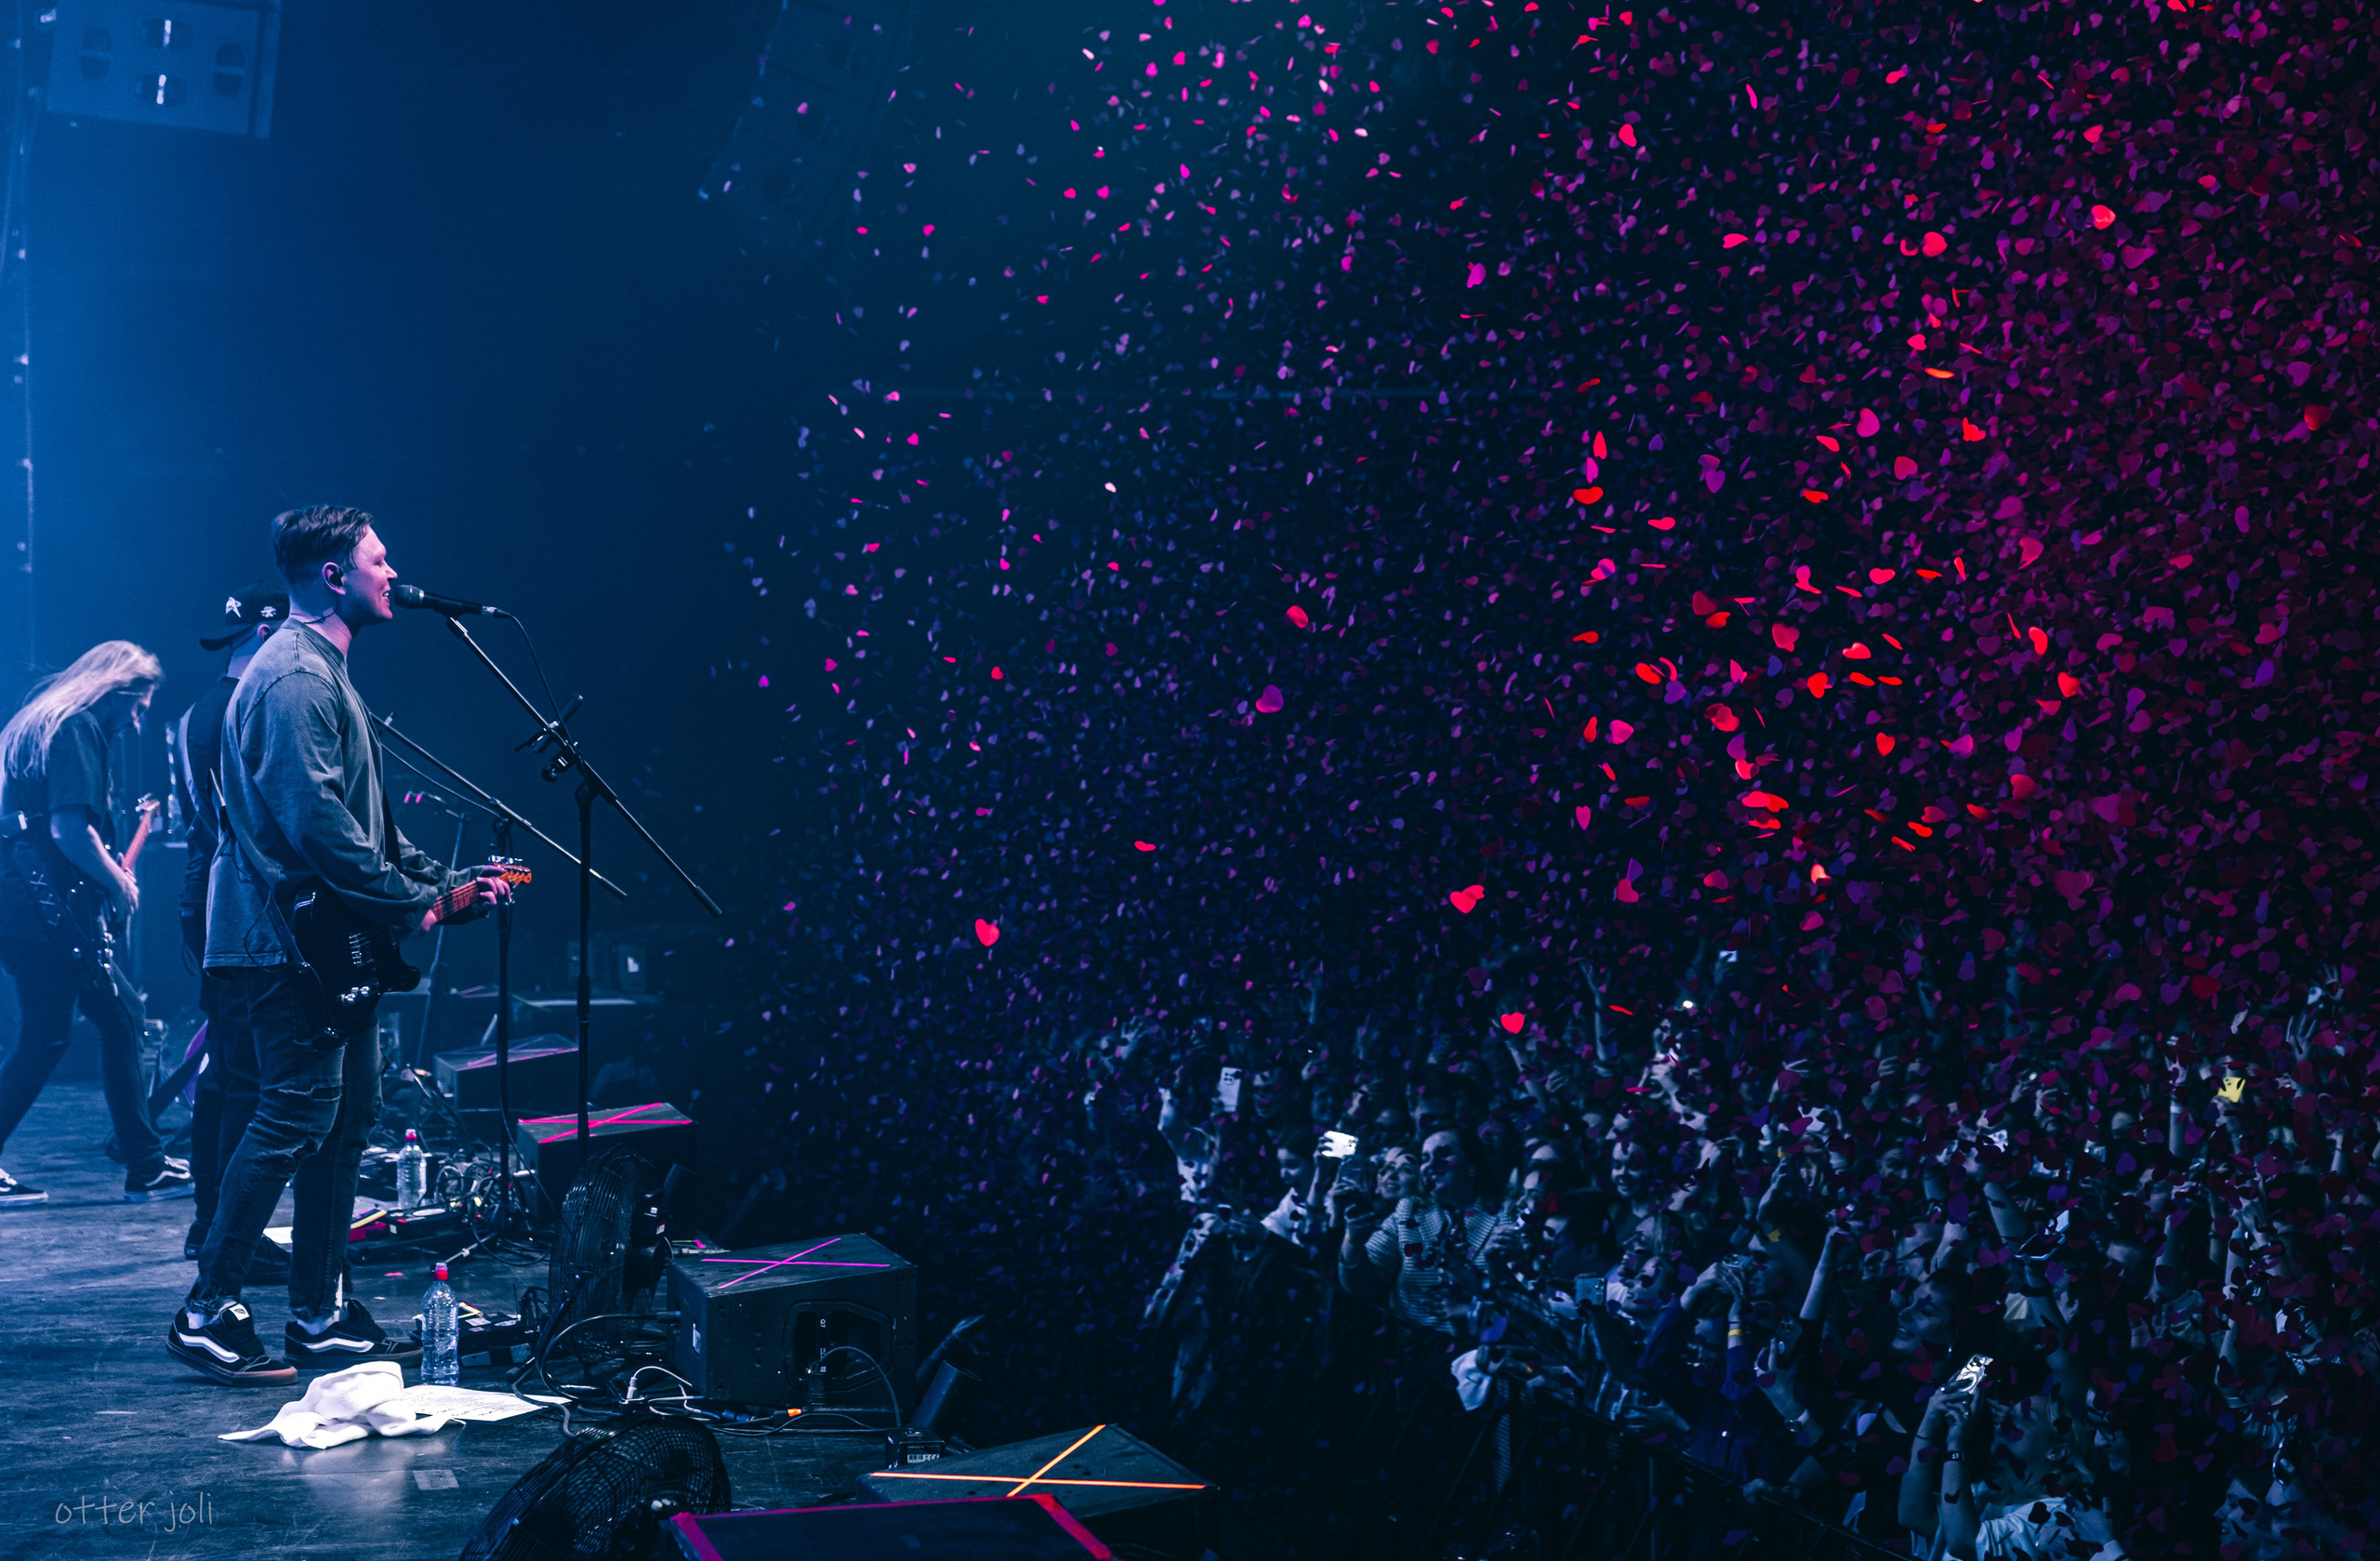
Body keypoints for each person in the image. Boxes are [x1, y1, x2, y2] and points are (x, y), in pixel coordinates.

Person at [167, 506, 513, 1385]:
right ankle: (207, 1309)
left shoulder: (322, 671)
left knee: (346, 1116)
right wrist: (412, 904)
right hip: (281, 945)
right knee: (293, 1113)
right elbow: (316, 823)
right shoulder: (292, 678)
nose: (392, 572)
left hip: (324, 944)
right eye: (378, 558)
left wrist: (444, 884)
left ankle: (318, 1313)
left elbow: (362, 821)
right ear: (333, 573)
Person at [0, 641, 190, 1207]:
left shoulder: (43, 724)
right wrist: (118, 881)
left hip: (26, 909)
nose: (134, 725)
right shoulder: (79, 728)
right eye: (135, 709)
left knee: (82, 1027)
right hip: (45, 913)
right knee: (101, 1024)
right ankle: (146, 1165)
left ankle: (145, 1162)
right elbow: (70, 831)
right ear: (116, 691)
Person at [174, 582, 290, 1275]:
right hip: (232, 901)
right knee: (243, 1072)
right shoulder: (242, 709)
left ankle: (210, 1220)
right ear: (265, 632)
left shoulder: (202, 708)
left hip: (203, 894)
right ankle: (225, 1233)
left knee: (226, 1071)